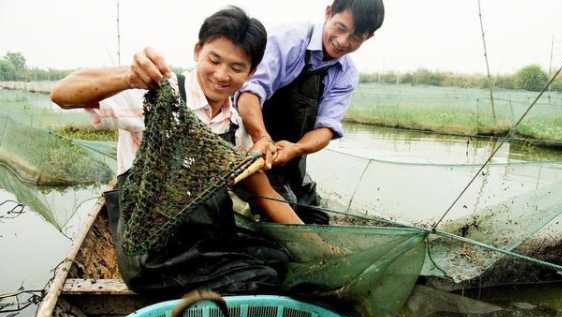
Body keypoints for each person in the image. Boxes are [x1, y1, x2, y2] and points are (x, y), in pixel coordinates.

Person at [51, 6, 293, 294]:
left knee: (279, 259)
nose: (221, 75)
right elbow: (62, 95)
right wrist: (129, 77)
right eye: (214, 60)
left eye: (236, 67)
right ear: (197, 51)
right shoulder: (158, 97)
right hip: (153, 252)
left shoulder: (235, 124)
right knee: (261, 278)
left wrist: (317, 243)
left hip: (203, 239)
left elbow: (263, 192)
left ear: (251, 72)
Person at [237, 0, 385, 225]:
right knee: (275, 216)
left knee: (317, 219)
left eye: (356, 37)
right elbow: (250, 94)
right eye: (341, 28)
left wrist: (296, 149)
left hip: (290, 155)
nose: (343, 41)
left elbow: (326, 129)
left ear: (368, 37)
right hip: (249, 143)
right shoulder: (289, 39)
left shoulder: (346, 74)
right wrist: (261, 138)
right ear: (328, 13)